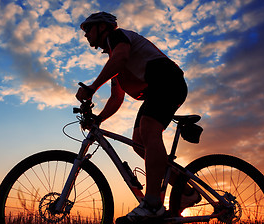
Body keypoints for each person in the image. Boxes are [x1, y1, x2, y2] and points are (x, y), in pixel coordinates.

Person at [76, 12, 201, 223]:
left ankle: (152, 204)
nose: (86, 34)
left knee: (149, 127)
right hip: (157, 90)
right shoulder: (115, 58)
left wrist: (91, 88)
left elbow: (121, 58)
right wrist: (98, 119)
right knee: (138, 143)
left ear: (102, 27)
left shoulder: (117, 38)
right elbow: (116, 98)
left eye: (88, 29)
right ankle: (185, 193)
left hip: (168, 82)